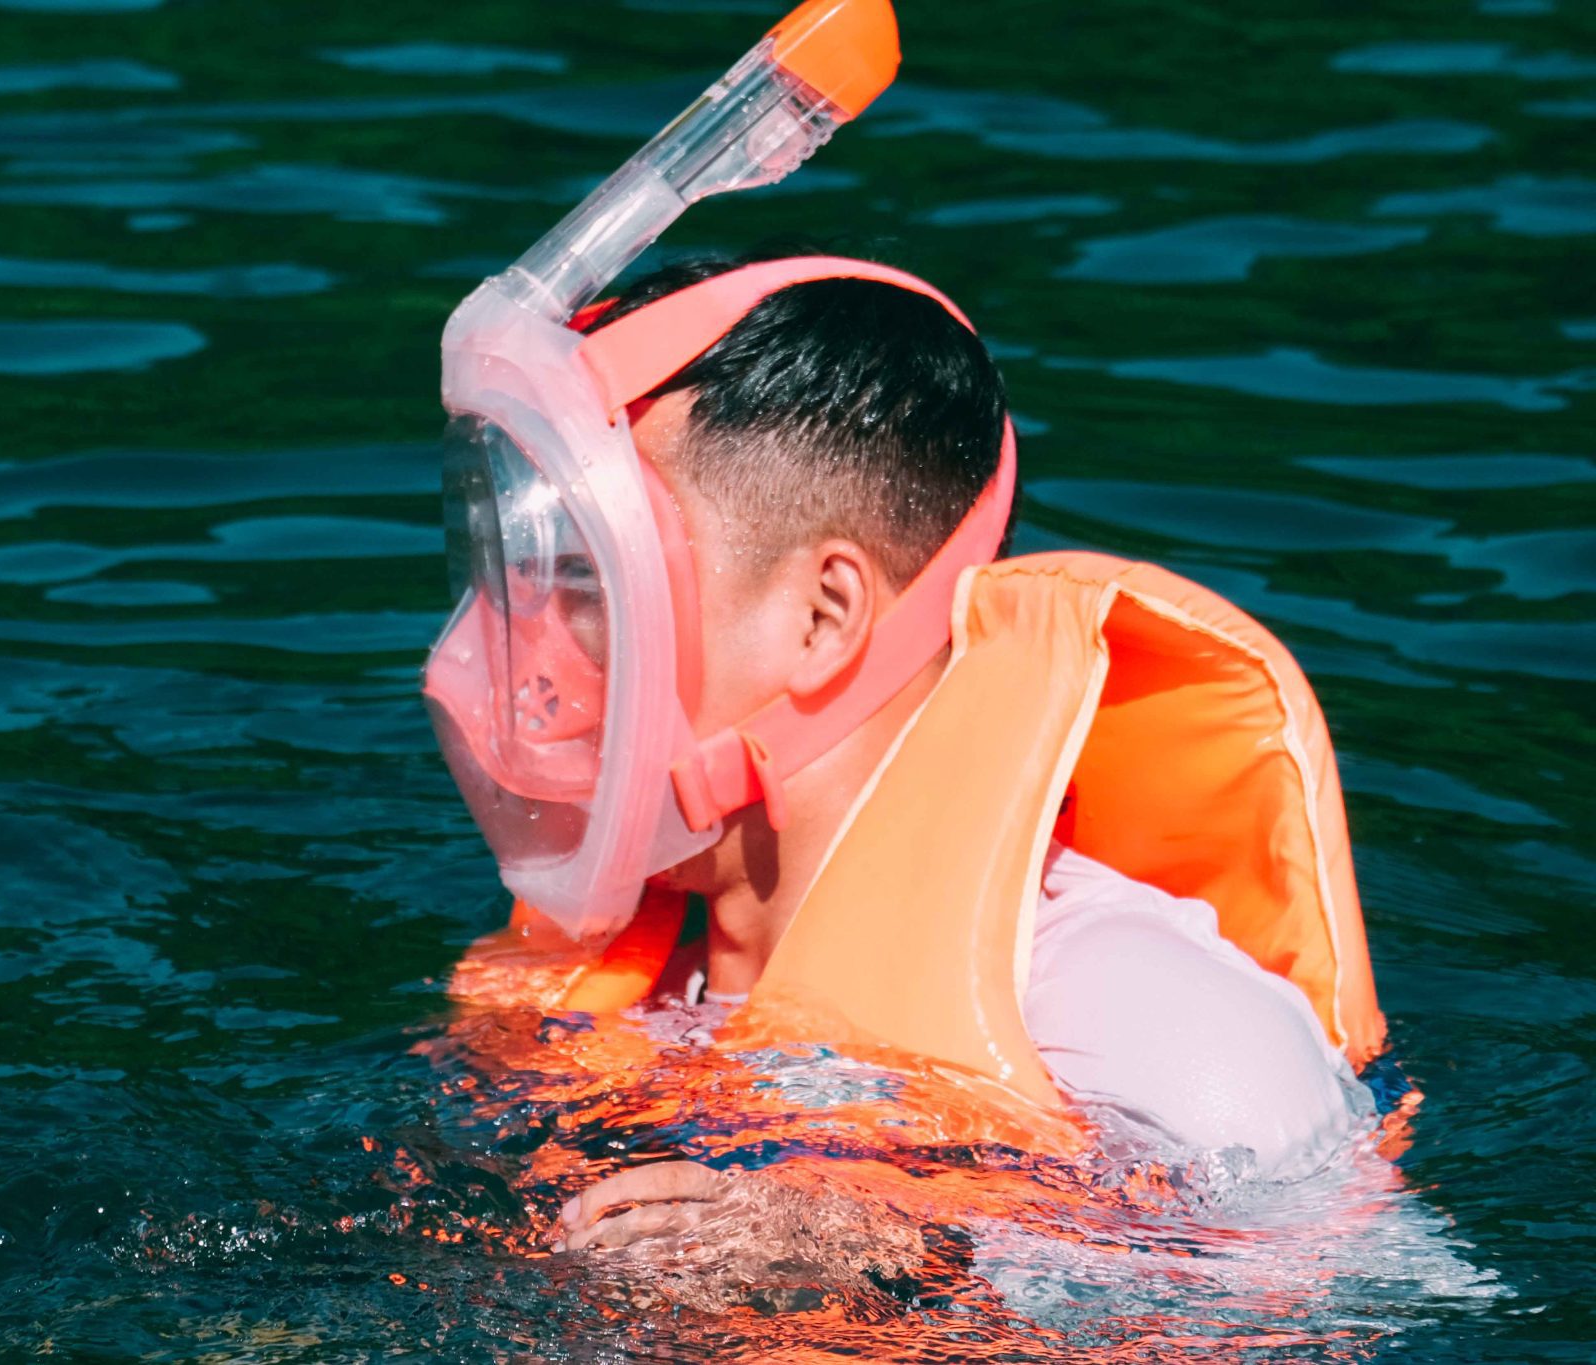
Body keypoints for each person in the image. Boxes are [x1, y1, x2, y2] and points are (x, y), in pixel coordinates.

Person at [419, 0, 1386, 1257]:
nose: (521, 670)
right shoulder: (634, 980)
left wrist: (907, 1260)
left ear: (822, 618)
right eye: (521, 585)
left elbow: (1348, 1305)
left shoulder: (1149, 1017)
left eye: (594, 588)